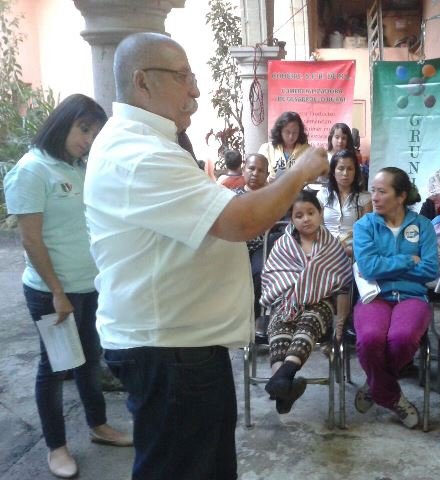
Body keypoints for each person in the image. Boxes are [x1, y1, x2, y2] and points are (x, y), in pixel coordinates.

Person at [83, 33, 328, 480]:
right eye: (182, 77)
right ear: (143, 81)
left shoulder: (150, 143)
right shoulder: (139, 154)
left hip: (181, 345)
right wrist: (300, 172)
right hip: (169, 350)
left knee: (205, 464)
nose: (195, 90)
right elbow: (241, 222)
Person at [3, 94, 132, 479]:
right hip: (52, 292)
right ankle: (56, 446)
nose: (88, 140)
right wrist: (57, 292)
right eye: (83, 129)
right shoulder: (32, 170)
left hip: (88, 286)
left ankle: (98, 425)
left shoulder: (77, 168)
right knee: (56, 367)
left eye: (94, 133)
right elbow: (31, 240)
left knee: (90, 360)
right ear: (63, 123)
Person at [352, 167, 439, 429]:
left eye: (382, 191)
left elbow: (430, 269)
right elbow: (368, 268)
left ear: (401, 196)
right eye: (373, 191)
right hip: (375, 294)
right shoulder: (364, 225)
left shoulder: (423, 226)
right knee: (370, 339)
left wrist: (386, 265)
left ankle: (374, 385)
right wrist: (408, 260)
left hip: (413, 296)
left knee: (403, 338)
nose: (374, 197)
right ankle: (391, 396)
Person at [261, 191, 352, 414]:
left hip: (320, 302)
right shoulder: (283, 244)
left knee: (308, 324)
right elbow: (273, 276)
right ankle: (282, 385)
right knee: (279, 327)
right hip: (286, 301)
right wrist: (293, 293)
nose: (306, 219)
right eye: (299, 215)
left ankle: (281, 379)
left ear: (320, 213)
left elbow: (342, 282)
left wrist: (341, 321)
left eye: (311, 213)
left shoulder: (331, 245)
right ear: (292, 219)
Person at [233, 153, 270, 321]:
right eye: (252, 168)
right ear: (243, 170)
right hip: (235, 245)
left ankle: (254, 318)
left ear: (267, 174)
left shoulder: (273, 197)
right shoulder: (232, 197)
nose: (255, 173)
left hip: (261, 246)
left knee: (259, 271)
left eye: (261, 170)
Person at [316, 149, 372, 256]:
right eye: (341, 168)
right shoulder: (322, 195)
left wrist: (348, 247)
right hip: (324, 247)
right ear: (333, 172)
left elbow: (365, 232)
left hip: (353, 249)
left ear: (355, 172)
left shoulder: (365, 198)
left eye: (350, 169)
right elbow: (318, 227)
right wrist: (329, 246)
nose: (345, 173)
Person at [259, 111, 310, 182]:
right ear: (280, 131)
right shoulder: (267, 148)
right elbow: (259, 173)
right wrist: (268, 179)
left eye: (295, 132)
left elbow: (312, 175)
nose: (291, 136)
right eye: (287, 132)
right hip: (272, 187)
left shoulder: (308, 150)